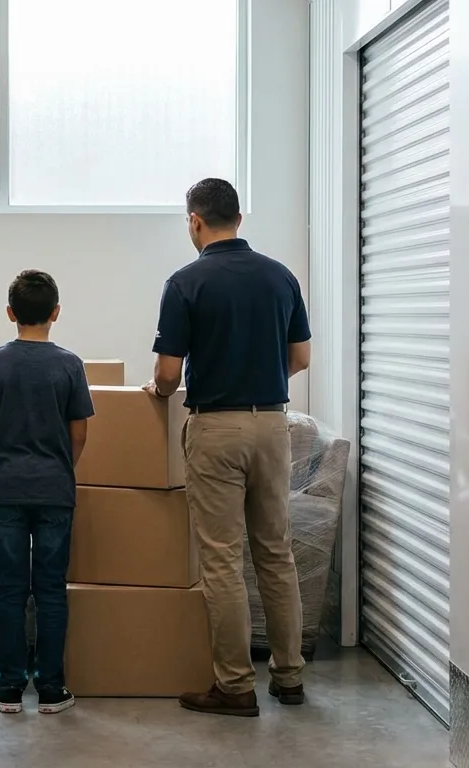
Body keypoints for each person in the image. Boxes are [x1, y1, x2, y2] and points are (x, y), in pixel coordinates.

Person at [146, 178, 311, 718]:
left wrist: (159, 390)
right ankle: (289, 677)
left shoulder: (186, 282)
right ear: (238, 217)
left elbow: (169, 374)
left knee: (222, 560)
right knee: (275, 553)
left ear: (196, 221)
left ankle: (235, 685)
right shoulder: (280, 277)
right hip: (273, 426)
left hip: (216, 427)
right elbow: (301, 357)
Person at [0, 270, 94, 715]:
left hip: (6, 488)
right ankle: (51, 689)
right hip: (55, 489)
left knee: (9, 590)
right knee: (50, 590)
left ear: (10, 314)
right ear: (56, 313)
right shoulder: (69, 365)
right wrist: (60, 467)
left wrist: (6, 461)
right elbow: (78, 433)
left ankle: (7, 689)